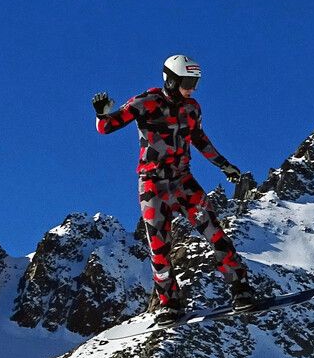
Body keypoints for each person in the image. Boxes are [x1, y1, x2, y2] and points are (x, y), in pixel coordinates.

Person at [92, 54, 257, 322]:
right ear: (170, 79)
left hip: (182, 180)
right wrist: (101, 113)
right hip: (152, 184)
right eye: (187, 82)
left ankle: (240, 289)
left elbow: (200, 139)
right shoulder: (146, 102)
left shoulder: (192, 108)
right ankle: (170, 302)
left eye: (195, 83)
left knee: (215, 232)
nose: (191, 88)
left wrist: (224, 165)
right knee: (159, 247)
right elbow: (108, 127)